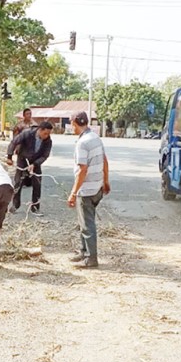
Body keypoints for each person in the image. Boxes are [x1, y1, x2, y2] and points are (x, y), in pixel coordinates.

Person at [67, 112, 111, 269]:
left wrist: (73, 193)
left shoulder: (82, 143)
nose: (71, 126)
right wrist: (105, 181)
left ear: (75, 123)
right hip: (97, 187)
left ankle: (91, 258)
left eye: (71, 123)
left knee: (87, 225)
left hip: (86, 190)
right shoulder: (95, 138)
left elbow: (82, 170)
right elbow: (104, 160)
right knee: (83, 221)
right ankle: (84, 251)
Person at [6, 121, 53, 216]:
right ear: (40, 130)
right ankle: (15, 205)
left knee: (37, 184)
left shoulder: (48, 141)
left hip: (35, 163)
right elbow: (13, 142)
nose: (47, 136)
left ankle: (35, 208)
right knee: (18, 184)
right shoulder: (27, 133)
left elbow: (45, 155)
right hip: (23, 161)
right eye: (45, 133)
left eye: (48, 134)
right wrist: (9, 157)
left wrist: (35, 164)